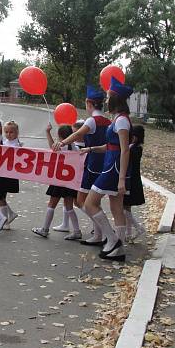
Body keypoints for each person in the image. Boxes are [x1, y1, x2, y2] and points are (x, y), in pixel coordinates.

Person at [82, 77, 133, 262]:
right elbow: (111, 146)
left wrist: (120, 179)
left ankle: (112, 239)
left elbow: (125, 149)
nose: (105, 100)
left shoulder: (121, 121)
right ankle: (118, 248)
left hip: (114, 168)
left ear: (115, 98)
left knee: (90, 203)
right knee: (116, 208)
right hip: (112, 165)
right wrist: (91, 149)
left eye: (108, 96)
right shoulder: (119, 119)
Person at [53, 86, 111, 245]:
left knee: (81, 201)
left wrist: (62, 142)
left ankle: (105, 232)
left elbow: (78, 134)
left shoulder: (92, 120)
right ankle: (99, 234)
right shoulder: (108, 121)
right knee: (94, 202)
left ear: (89, 103)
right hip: (105, 162)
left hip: (92, 163)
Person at [32, 123, 81, 239]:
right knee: (69, 207)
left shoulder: (61, 146)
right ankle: (77, 230)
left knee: (51, 204)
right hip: (70, 181)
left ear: (60, 136)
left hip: (59, 180)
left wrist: (48, 132)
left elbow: (52, 146)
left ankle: (45, 229)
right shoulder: (76, 148)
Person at [124, 125, 147, 241]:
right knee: (126, 207)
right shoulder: (134, 148)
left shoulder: (134, 149)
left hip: (130, 180)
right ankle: (128, 233)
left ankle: (138, 227)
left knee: (123, 207)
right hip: (132, 179)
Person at [0, 120, 21, 229]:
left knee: (0, 196)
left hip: (9, 173)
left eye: (11, 132)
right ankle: (9, 215)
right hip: (3, 172)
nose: (8, 134)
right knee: (0, 196)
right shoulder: (5, 141)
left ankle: (6, 221)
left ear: (17, 133)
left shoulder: (16, 144)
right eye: (6, 132)